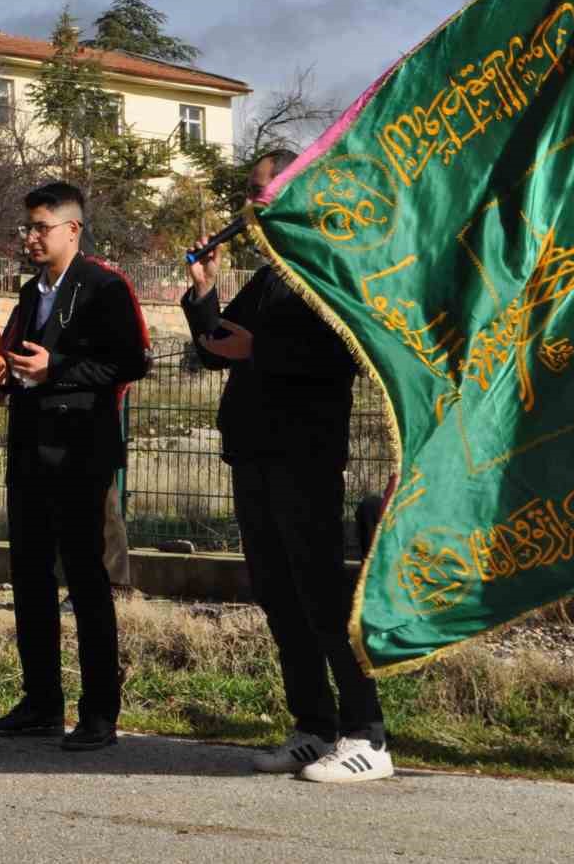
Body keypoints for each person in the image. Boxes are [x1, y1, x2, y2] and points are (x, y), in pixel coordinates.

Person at [180, 149, 393, 784]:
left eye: (264, 191)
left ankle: (368, 735)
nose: (254, 203)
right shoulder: (273, 271)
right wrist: (202, 293)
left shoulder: (332, 264)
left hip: (305, 453)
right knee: (280, 596)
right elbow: (219, 347)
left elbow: (346, 354)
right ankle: (314, 728)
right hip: (253, 450)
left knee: (322, 594)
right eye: (249, 192)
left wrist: (260, 349)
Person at [0, 182, 148, 751]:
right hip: (29, 448)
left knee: (86, 580)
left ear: (72, 230)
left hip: (79, 454)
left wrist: (59, 368)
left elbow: (130, 361)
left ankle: (99, 712)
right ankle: (41, 702)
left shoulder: (103, 286)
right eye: (27, 227)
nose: (30, 237)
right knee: (29, 579)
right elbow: (27, 359)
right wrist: (8, 369)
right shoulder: (32, 291)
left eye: (40, 227)